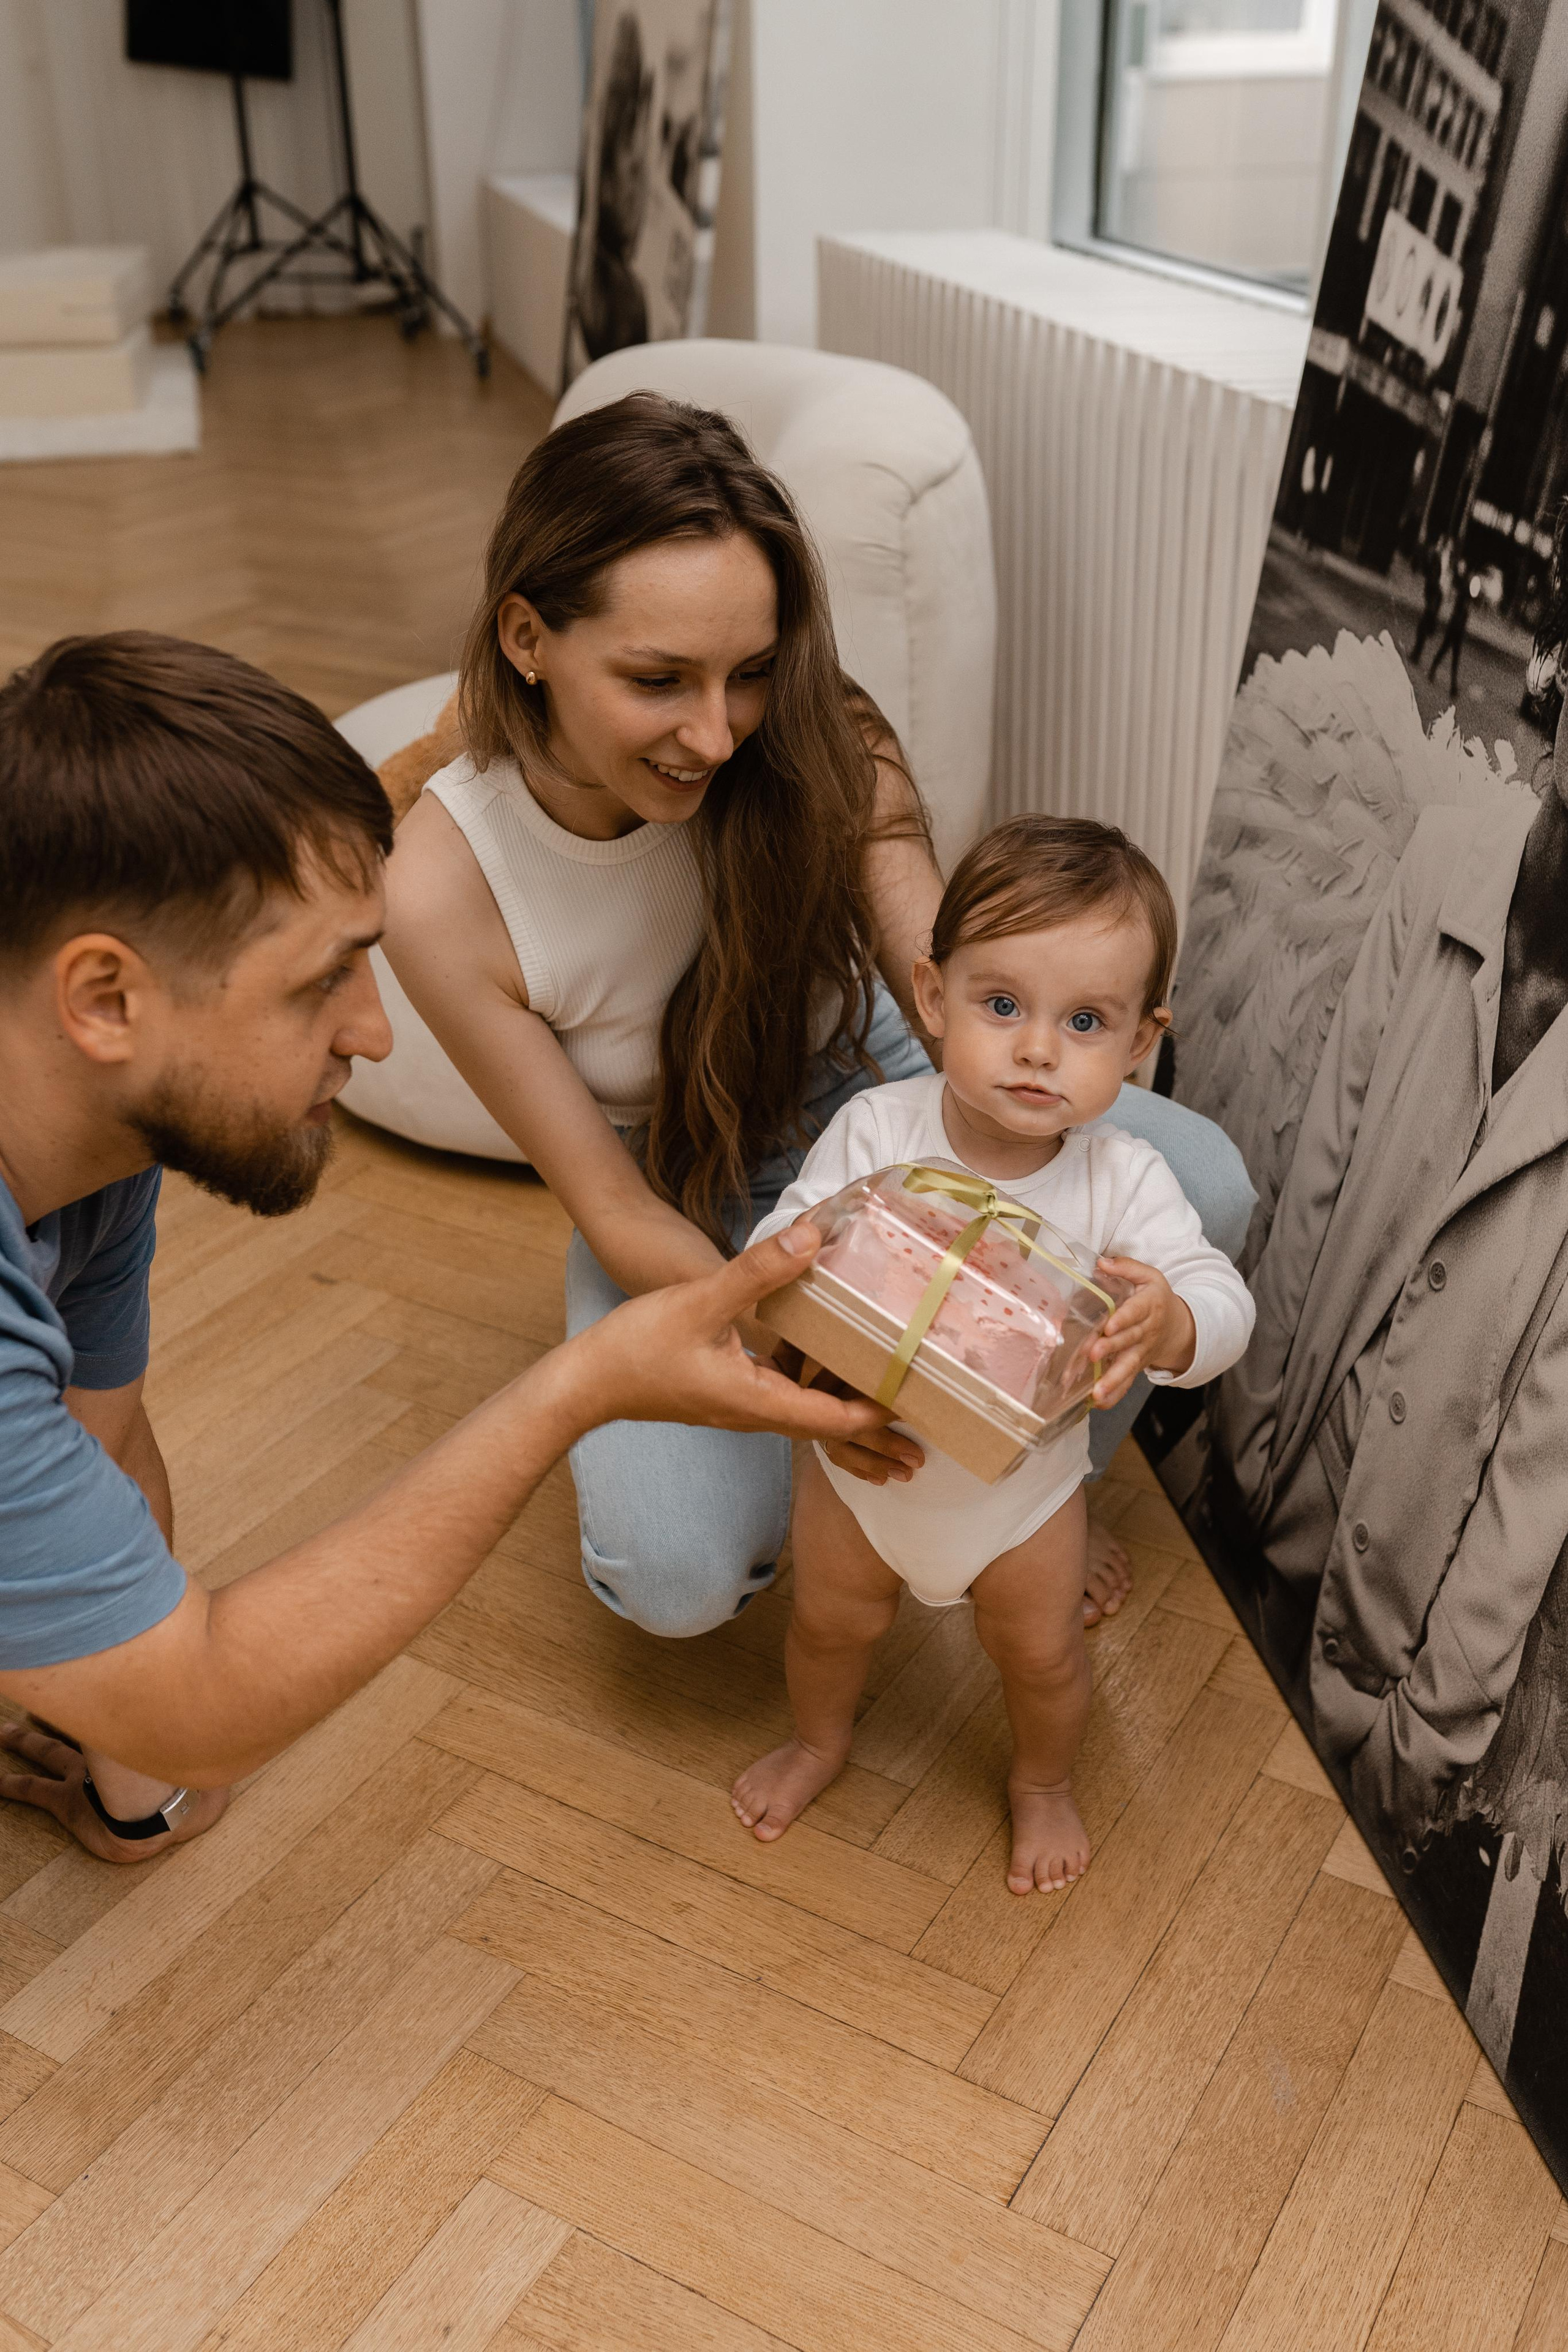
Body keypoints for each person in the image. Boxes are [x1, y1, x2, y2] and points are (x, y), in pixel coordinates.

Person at [380, 391, 1258, 1644]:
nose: (714, 732)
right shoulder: (438, 888)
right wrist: (821, 1345)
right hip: (678, 1187)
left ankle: (1035, 1494)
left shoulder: (804, 727)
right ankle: (879, 1498)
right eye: (655, 680)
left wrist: (953, 1302)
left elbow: (937, 982)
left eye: (747, 673)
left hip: (879, 1086)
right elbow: (619, 1212)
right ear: (527, 636)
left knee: (1202, 1187)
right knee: (673, 1583)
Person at [0, 632, 888, 1861]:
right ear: (102, 999)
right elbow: (198, 1708)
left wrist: (132, 1791)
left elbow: (97, 1444)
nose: (373, 1031)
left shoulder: (92, 1148)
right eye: (324, 980)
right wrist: (578, 1385)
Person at [731, 817, 1254, 1892]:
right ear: (932, 997)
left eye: (1086, 1021)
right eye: (1002, 1005)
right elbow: (769, 1255)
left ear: (1140, 1042)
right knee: (827, 1626)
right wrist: (795, 1281)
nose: (1036, 1049)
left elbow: (1221, 1302)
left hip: (1021, 1504)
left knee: (1044, 1657)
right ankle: (818, 1743)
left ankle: (1041, 1786)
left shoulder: (1124, 1180)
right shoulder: (878, 1130)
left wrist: (1173, 1323)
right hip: (861, 1472)